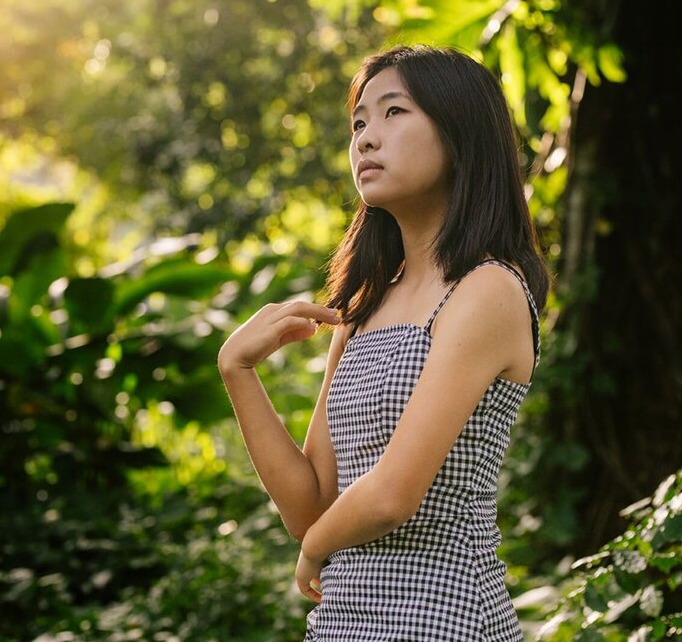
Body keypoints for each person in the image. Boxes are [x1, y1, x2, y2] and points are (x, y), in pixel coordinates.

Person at [217, 44, 548, 641]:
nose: (366, 139)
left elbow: (393, 495)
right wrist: (237, 368)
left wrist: (316, 550)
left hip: (444, 619)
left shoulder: (488, 291)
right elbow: (311, 505)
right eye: (359, 123)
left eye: (394, 113)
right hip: (343, 624)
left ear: (460, 134)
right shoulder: (364, 306)